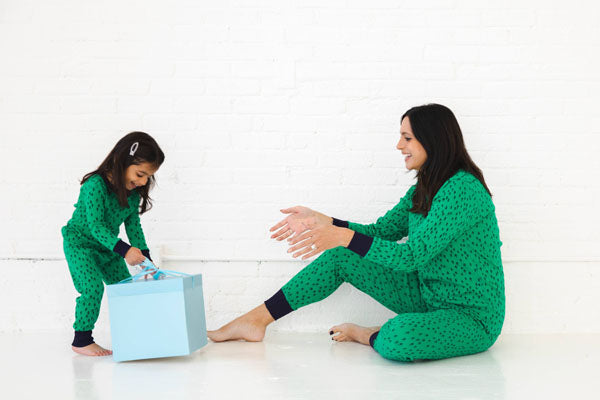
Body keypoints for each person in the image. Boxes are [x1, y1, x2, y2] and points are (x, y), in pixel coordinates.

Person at [208, 104, 505, 362]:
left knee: (398, 338)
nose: (399, 146)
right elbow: (381, 231)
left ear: (434, 141)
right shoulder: (423, 189)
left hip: (471, 318)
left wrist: (344, 236)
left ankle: (369, 335)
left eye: (407, 138)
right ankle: (255, 321)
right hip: (425, 295)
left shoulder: (462, 189)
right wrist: (324, 220)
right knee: (341, 256)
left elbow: (413, 256)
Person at [62, 132, 165, 356]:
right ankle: (81, 340)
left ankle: (132, 334)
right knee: (92, 288)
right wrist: (125, 250)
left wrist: (146, 259)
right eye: (140, 174)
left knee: (125, 287)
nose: (143, 181)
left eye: (148, 177)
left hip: (107, 247)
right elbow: (96, 226)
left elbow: (133, 226)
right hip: (81, 244)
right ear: (122, 161)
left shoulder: (133, 194)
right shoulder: (94, 185)